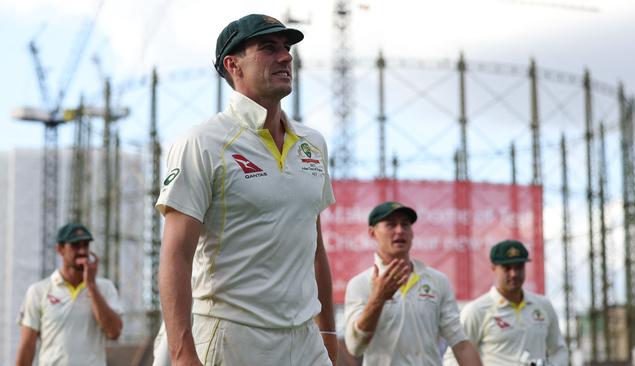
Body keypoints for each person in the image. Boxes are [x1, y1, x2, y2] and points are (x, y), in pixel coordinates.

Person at [156, 13, 337, 366]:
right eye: (269, 48)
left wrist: (328, 334)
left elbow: (314, 249)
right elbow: (175, 255)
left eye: (287, 48)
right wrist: (181, 354)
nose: (285, 57)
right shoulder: (202, 143)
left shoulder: (313, 144)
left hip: (305, 341)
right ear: (233, 65)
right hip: (232, 337)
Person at [344, 201, 482, 366]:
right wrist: (378, 299)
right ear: (372, 233)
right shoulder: (360, 284)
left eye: (405, 224)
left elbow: (461, 344)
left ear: (412, 233)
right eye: (391, 225)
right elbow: (355, 347)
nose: (400, 230)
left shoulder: (437, 281)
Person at [444, 240, 568, 366]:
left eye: (519, 267)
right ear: (493, 267)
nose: (514, 274)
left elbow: (559, 350)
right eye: (507, 268)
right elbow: (453, 357)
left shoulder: (543, 305)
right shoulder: (477, 310)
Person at [15, 223, 123, 366]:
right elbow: (27, 347)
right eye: (75, 245)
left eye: (85, 245)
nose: (82, 251)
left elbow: (114, 332)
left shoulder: (105, 288)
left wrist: (91, 286)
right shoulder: (38, 291)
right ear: (60, 249)